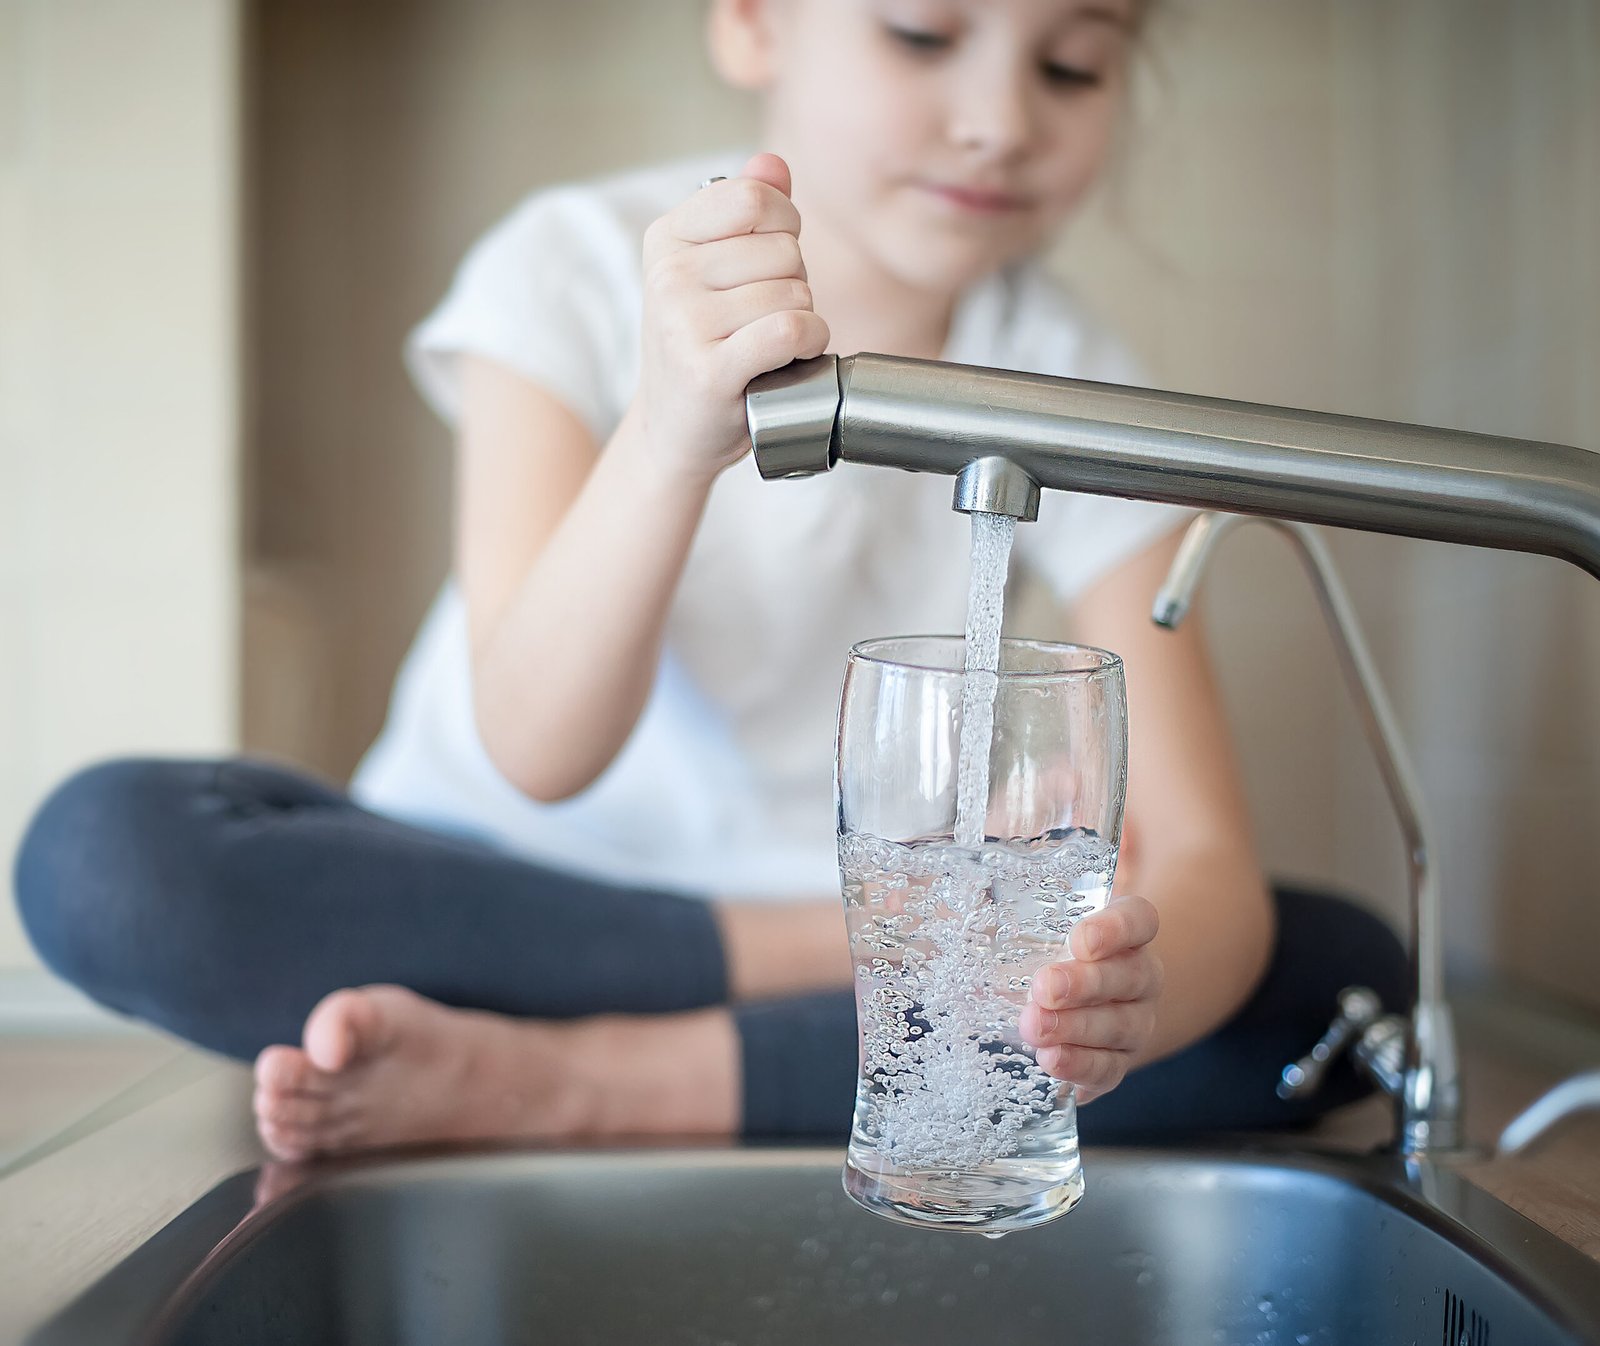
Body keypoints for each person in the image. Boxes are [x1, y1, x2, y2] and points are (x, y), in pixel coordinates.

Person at [14, 0, 1405, 1161]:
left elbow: (1203, 856)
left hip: (861, 952)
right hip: (489, 899)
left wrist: (1112, 1000)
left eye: (1070, 64)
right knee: (109, 853)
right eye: (924, 33)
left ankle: (561, 1084)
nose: (1000, 118)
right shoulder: (570, 263)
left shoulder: (1079, 380)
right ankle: (754, 1011)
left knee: (1338, 981)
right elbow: (536, 749)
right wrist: (672, 432)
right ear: (751, 20)